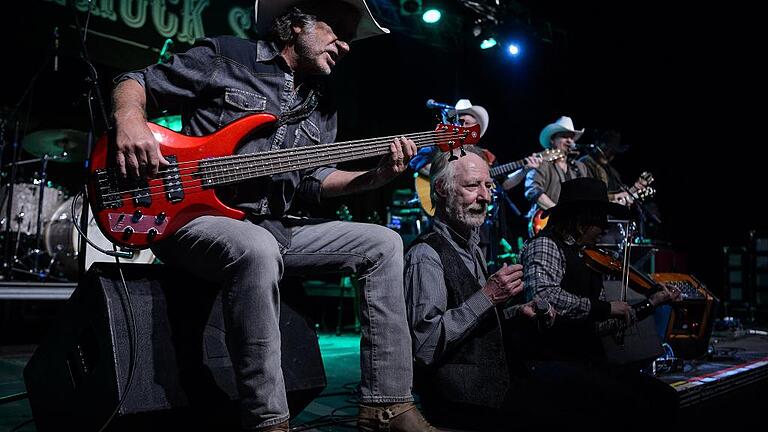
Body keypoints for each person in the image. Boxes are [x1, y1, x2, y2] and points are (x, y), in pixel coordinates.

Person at [110, 1, 439, 430]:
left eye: (349, 38)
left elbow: (312, 181)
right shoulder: (228, 56)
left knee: (384, 243)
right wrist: (130, 117)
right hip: (190, 218)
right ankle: (268, 421)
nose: (345, 45)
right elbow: (133, 81)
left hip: (275, 226)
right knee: (258, 248)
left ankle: (387, 405)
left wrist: (375, 177)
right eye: (337, 29)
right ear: (298, 23)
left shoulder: (323, 104)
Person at [403, 146, 553, 430]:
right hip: (458, 403)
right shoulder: (426, 256)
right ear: (442, 189)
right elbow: (424, 346)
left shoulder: (472, 248)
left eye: (488, 185)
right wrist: (487, 297)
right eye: (472, 186)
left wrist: (517, 312)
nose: (485, 196)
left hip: (488, 390)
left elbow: (473, 322)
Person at [519, 177, 681, 429]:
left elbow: (596, 327)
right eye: (600, 219)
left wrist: (651, 303)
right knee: (639, 407)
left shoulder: (584, 256)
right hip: (554, 363)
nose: (605, 227)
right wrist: (606, 308)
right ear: (581, 219)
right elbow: (543, 296)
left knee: (665, 398)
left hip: (587, 361)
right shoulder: (546, 245)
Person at [524, 116, 589, 235]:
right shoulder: (541, 162)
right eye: (564, 136)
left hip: (572, 228)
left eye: (572, 137)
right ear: (552, 140)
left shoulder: (580, 168)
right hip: (546, 224)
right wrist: (559, 212)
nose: (569, 140)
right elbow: (532, 190)